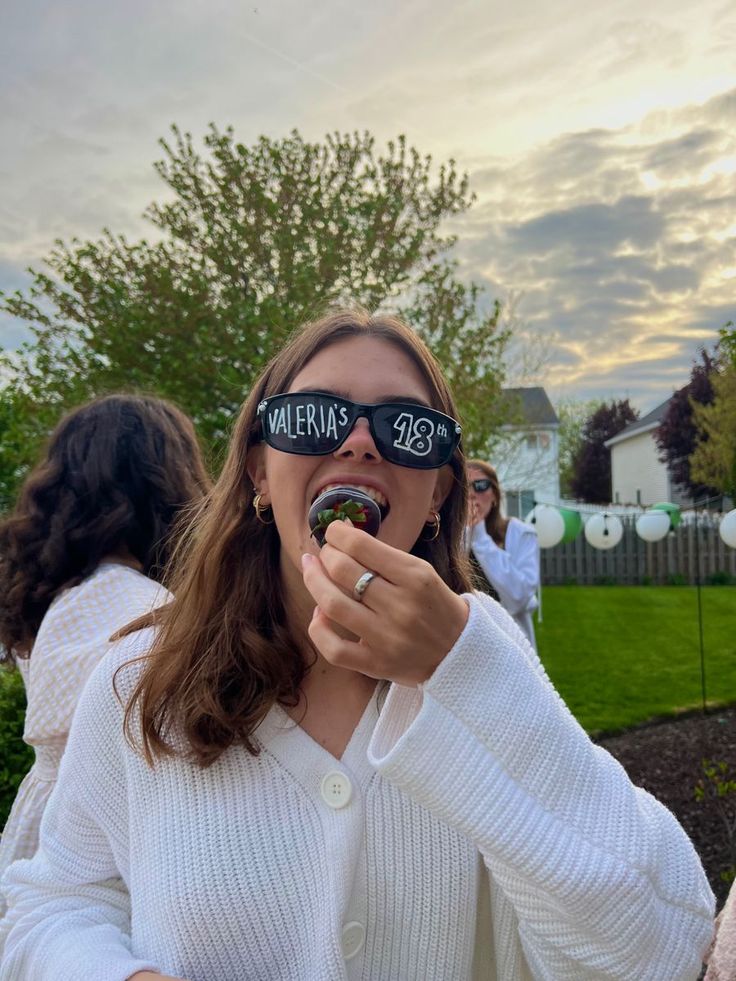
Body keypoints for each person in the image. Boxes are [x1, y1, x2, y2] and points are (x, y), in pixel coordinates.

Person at [0, 310, 715, 981]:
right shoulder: (138, 681)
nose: (359, 441)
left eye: (406, 426)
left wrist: (461, 668)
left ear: (438, 492)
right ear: (258, 472)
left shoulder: (485, 658)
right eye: (314, 418)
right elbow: (54, 899)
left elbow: (662, 944)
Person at [0, 393, 211, 922]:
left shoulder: (58, 592)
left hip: (47, 819)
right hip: (101, 839)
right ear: (169, 485)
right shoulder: (128, 602)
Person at [467, 460, 540, 650]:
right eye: (464, 486)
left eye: (481, 486)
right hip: (466, 643)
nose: (472, 493)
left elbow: (519, 598)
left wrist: (480, 536)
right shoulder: (452, 537)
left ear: (495, 496)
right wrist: (466, 533)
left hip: (511, 643)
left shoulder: (521, 534)